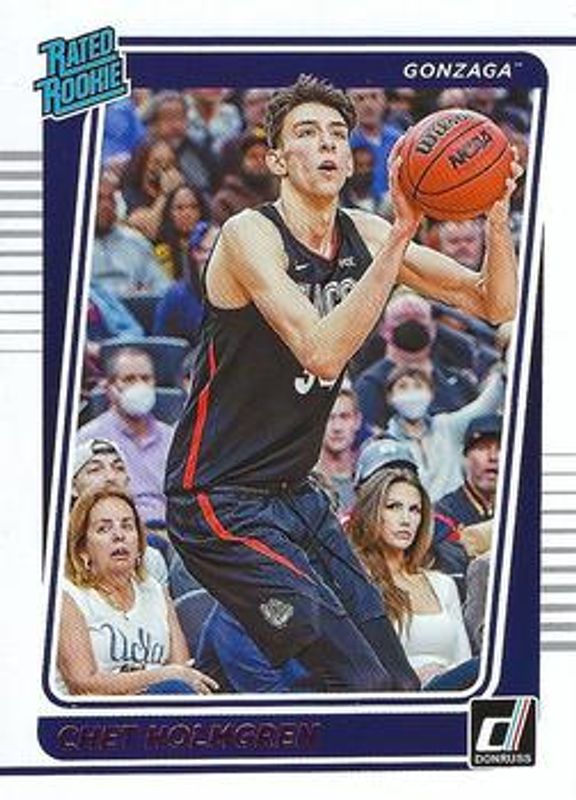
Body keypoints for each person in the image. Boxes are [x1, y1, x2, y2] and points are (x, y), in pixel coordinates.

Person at [164, 74, 519, 693]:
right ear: (277, 159)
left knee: (395, 682)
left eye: (336, 133)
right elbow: (324, 355)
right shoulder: (250, 234)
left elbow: (494, 301)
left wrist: (494, 209)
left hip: (296, 493)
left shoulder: (367, 233)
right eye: (306, 133)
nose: (327, 143)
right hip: (216, 498)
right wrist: (401, 236)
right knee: (353, 676)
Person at [56, 486, 218, 696]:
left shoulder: (155, 590)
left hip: (158, 703)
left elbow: (182, 670)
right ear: (82, 549)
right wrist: (161, 676)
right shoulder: (68, 595)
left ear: (140, 542)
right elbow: (83, 684)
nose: (119, 535)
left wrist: (169, 677)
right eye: (104, 529)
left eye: (127, 526)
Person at [347, 466, 472, 687]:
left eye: (415, 510)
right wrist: (410, 677)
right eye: (393, 507)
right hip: (398, 695)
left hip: (450, 694)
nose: (406, 519)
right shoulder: (357, 582)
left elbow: (464, 660)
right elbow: (354, 668)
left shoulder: (443, 585)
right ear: (371, 512)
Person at [353, 291, 477, 430]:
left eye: (419, 318)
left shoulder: (457, 379)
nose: (411, 324)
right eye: (401, 318)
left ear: (432, 327)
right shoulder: (370, 383)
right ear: (384, 329)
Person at [381, 363, 504, 502]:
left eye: (418, 386)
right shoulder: (386, 445)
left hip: (456, 511)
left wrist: (504, 374)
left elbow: (485, 405)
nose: (411, 393)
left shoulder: (448, 426)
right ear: (389, 397)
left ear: (431, 393)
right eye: (403, 387)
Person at [78, 347, 174, 525]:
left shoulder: (173, 438)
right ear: (109, 388)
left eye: (146, 378)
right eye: (129, 379)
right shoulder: (88, 439)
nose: (139, 386)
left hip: (171, 530)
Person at [72, 438, 170, 586]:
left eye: (118, 468)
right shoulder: (53, 552)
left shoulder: (151, 558)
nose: (110, 477)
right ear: (73, 487)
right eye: (95, 470)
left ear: (128, 481)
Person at [433, 414, 502, 590]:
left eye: (501, 448)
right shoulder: (442, 513)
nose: (493, 456)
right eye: (482, 448)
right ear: (465, 457)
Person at [92, 173, 169, 296]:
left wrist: (144, 294)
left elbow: (163, 288)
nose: (106, 205)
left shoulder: (136, 241)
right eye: (98, 199)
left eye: (110, 199)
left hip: (132, 304)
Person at [315, 385, 362, 517]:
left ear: (357, 421)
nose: (337, 427)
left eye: (344, 417)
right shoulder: (305, 481)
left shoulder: (368, 476)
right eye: (328, 417)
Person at [348, 87, 402, 202]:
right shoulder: (344, 143)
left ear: (384, 101)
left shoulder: (399, 139)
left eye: (374, 97)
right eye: (360, 99)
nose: (368, 105)